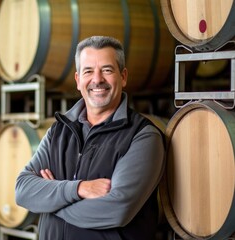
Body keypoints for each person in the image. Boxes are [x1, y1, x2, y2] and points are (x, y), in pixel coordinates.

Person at [15, 36, 165, 240]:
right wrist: (78, 189)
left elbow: (117, 209)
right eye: (88, 71)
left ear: (123, 77)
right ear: (78, 80)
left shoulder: (143, 136)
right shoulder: (59, 130)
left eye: (107, 70)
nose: (97, 79)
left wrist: (51, 202)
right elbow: (23, 190)